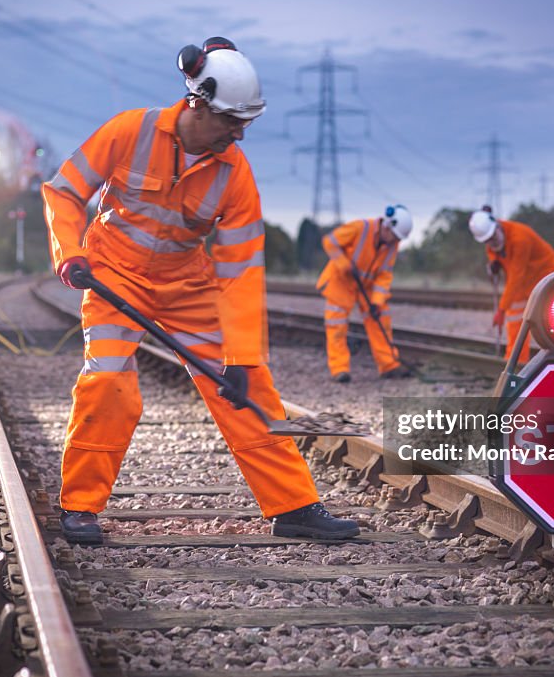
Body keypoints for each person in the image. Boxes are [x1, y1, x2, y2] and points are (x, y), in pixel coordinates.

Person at [42, 36, 360, 544]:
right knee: (108, 381)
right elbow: (63, 191)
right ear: (197, 103)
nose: (240, 133)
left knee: (248, 384)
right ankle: (79, 507)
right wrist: (69, 253)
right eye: (233, 122)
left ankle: (294, 506)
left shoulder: (236, 175)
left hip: (187, 285)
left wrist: (240, 355)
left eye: (245, 123)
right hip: (112, 275)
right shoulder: (129, 131)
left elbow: (240, 270)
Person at [316, 205, 413, 382]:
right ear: (387, 225)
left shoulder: (393, 244)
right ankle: (339, 369)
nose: (395, 242)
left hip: (367, 286)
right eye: (394, 236)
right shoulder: (361, 227)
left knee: (380, 318)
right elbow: (330, 242)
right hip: (342, 281)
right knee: (336, 324)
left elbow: (384, 274)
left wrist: (376, 302)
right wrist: (343, 263)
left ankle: (389, 365)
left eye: (398, 239)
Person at [468, 208, 554, 363]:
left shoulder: (520, 239)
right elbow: (494, 253)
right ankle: (515, 363)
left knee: (550, 322)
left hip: (545, 274)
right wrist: (494, 262)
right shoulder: (492, 242)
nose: (492, 242)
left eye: (493, 237)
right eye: (487, 241)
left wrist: (501, 309)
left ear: (497, 225)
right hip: (526, 280)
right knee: (515, 318)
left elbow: (515, 277)